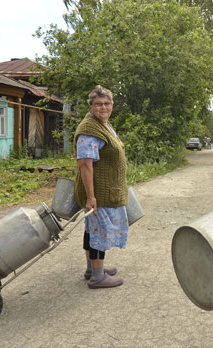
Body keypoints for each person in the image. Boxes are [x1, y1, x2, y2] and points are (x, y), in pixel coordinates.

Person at [74, 85, 129, 289]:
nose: (103, 107)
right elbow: (85, 165)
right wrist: (91, 197)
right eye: (98, 104)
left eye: (107, 103)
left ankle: (92, 269)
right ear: (90, 106)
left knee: (92, 230)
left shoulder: (102, 125)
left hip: (103, 190)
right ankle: (97, 276)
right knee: (100, 232)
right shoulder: (89, 130)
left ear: (112, 105)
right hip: (98, 192)